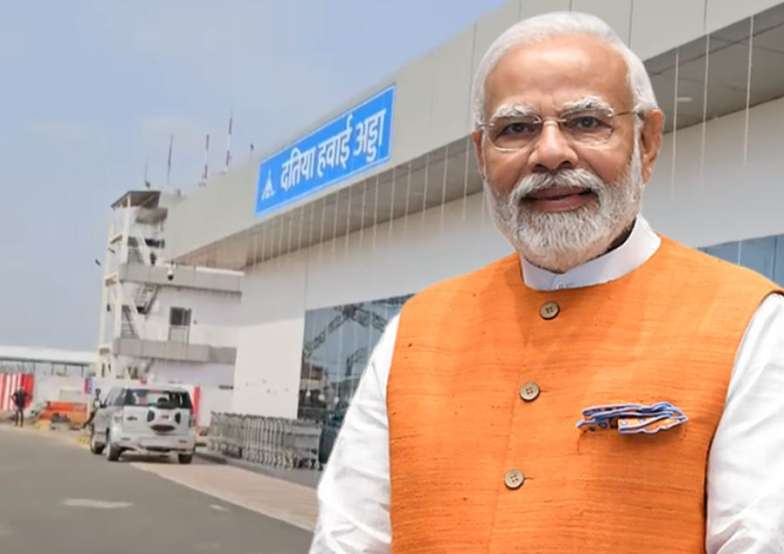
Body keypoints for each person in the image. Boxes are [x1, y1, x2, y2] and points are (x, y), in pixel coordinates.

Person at [311, 12, 784, 554]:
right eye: (517, 129)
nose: (551, 152)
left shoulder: (749, 325)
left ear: (647, 142)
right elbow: (349, 538)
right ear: (481, 155)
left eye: (586, 122)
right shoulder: (416, 333)